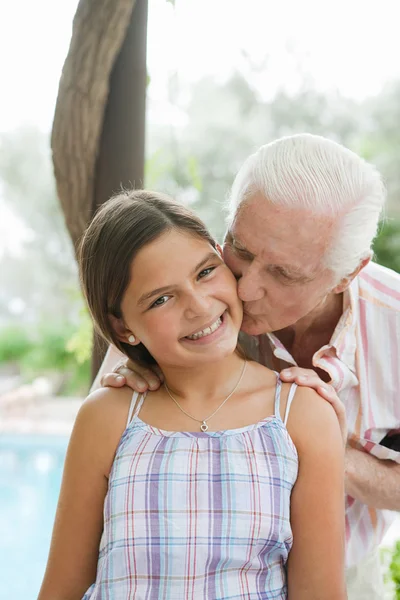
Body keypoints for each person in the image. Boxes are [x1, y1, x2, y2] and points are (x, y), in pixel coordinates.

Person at [100, 134, 400, 599]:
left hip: (342, 574)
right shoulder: (182, 307)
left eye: (283, 273)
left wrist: (326, 454)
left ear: (347, 274)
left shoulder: (393, 324)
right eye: (239, 248)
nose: (243, 290)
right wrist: (132, 383)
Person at [38, 190, 347, 600]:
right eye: (161, 299)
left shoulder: (301, 414)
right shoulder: (109, 417)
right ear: (122, 328)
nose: (200, 307)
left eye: (205, 273)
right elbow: (62, 589)